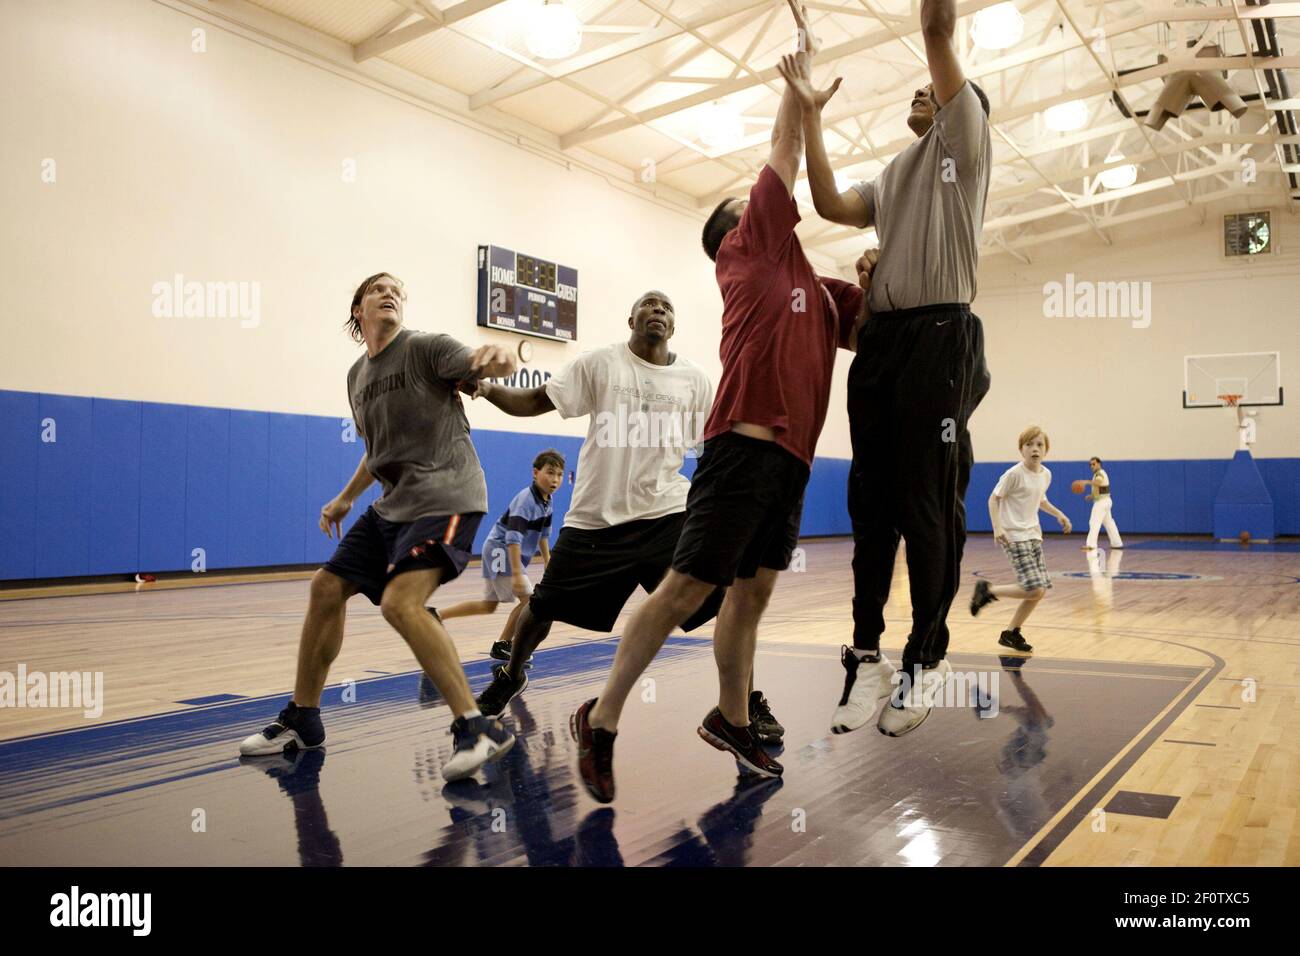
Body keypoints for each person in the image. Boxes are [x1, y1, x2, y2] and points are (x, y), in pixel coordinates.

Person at [570, 2, 875, 804]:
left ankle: (732, 719)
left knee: (754, 593)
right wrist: (800, 92)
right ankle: (600, 721)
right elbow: (781, 160)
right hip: (743, 449)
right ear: (734, 232)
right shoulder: (747, 254)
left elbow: (874, 321)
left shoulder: (815, 285)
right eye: (751, 204)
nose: (766, 203)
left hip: (792, 462)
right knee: (685, 592)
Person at [781, 0, 994, 736]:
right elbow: (829, 201)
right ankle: (867, 655)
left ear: (959, 105)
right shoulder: (899, 170)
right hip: (885, 344)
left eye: (933, 86)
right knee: (870, 511)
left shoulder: (962, 143)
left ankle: (925, 661)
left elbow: (936, 28)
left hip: (940, 335)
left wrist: (939, 33)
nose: (920, 86)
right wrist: (809, 115)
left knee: (925, 509)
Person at [238, 272, 519, 782]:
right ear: (358, 310)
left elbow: (483, 362)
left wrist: (499, 357)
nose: (391, 295)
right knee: (325, 587)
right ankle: (304, 717)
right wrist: (346, 498)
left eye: (398, 291)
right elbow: (378, 451)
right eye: (378, 289)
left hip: (447, 493)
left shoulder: (427, 349)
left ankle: (477, 727)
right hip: (394, 504)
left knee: (400, 603)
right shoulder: (356, 378)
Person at [467, 291, 770, 731]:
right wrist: (486, 388)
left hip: (668, 516)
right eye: (650, 304)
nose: (659, 311)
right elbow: (536, 400)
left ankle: (746, 703)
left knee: (729, 607)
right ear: (632, 317)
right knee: (542, 607)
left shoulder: (696, 380)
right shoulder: (600, 364)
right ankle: (512, 674)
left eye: (667, 307)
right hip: (597, 519)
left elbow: (715, 446)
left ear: (674, 326)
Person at [436, 449, 564, 663]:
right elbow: (513, 539)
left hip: (501, 551)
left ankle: (436, 615)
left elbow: (543, 535)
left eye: (559, 475)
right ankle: (502, 645)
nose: (555, 479)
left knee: (489, 605)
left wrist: (548, 563)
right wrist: (516, 574)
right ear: (535, 473)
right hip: (500, 549)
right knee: (529, 600)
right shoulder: (526, 501)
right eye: (550, 473)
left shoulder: (547, 502)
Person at [969, 426, 1072, 654]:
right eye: (1029, 445)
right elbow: (993, 499)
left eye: (1039, 445)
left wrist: (1059, 514)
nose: (1035, 449)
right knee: (1033, 587)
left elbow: (1040, 500)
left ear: (1046, 450)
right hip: (1014, 535)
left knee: (1039, 591)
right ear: (1021, 449)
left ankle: (1011, 633)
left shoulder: (1046, 474)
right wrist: (997, 528)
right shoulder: (1014, 474)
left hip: (1034, 535)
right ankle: (988, 591)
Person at [1081, 457, 1123, 551]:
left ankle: (1091, 544)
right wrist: (1091, 496)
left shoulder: (1100, 473)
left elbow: (1099, 482)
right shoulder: (1098, 474)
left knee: (1094, 522)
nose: (1092, 466)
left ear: (1099, 464)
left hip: (1101, 503)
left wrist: (1086, 482)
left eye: (1094, 464)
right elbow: (1102, 489)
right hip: (1105, 500)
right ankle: (1117, 543)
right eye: (1090, 465)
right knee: (1109, 523)